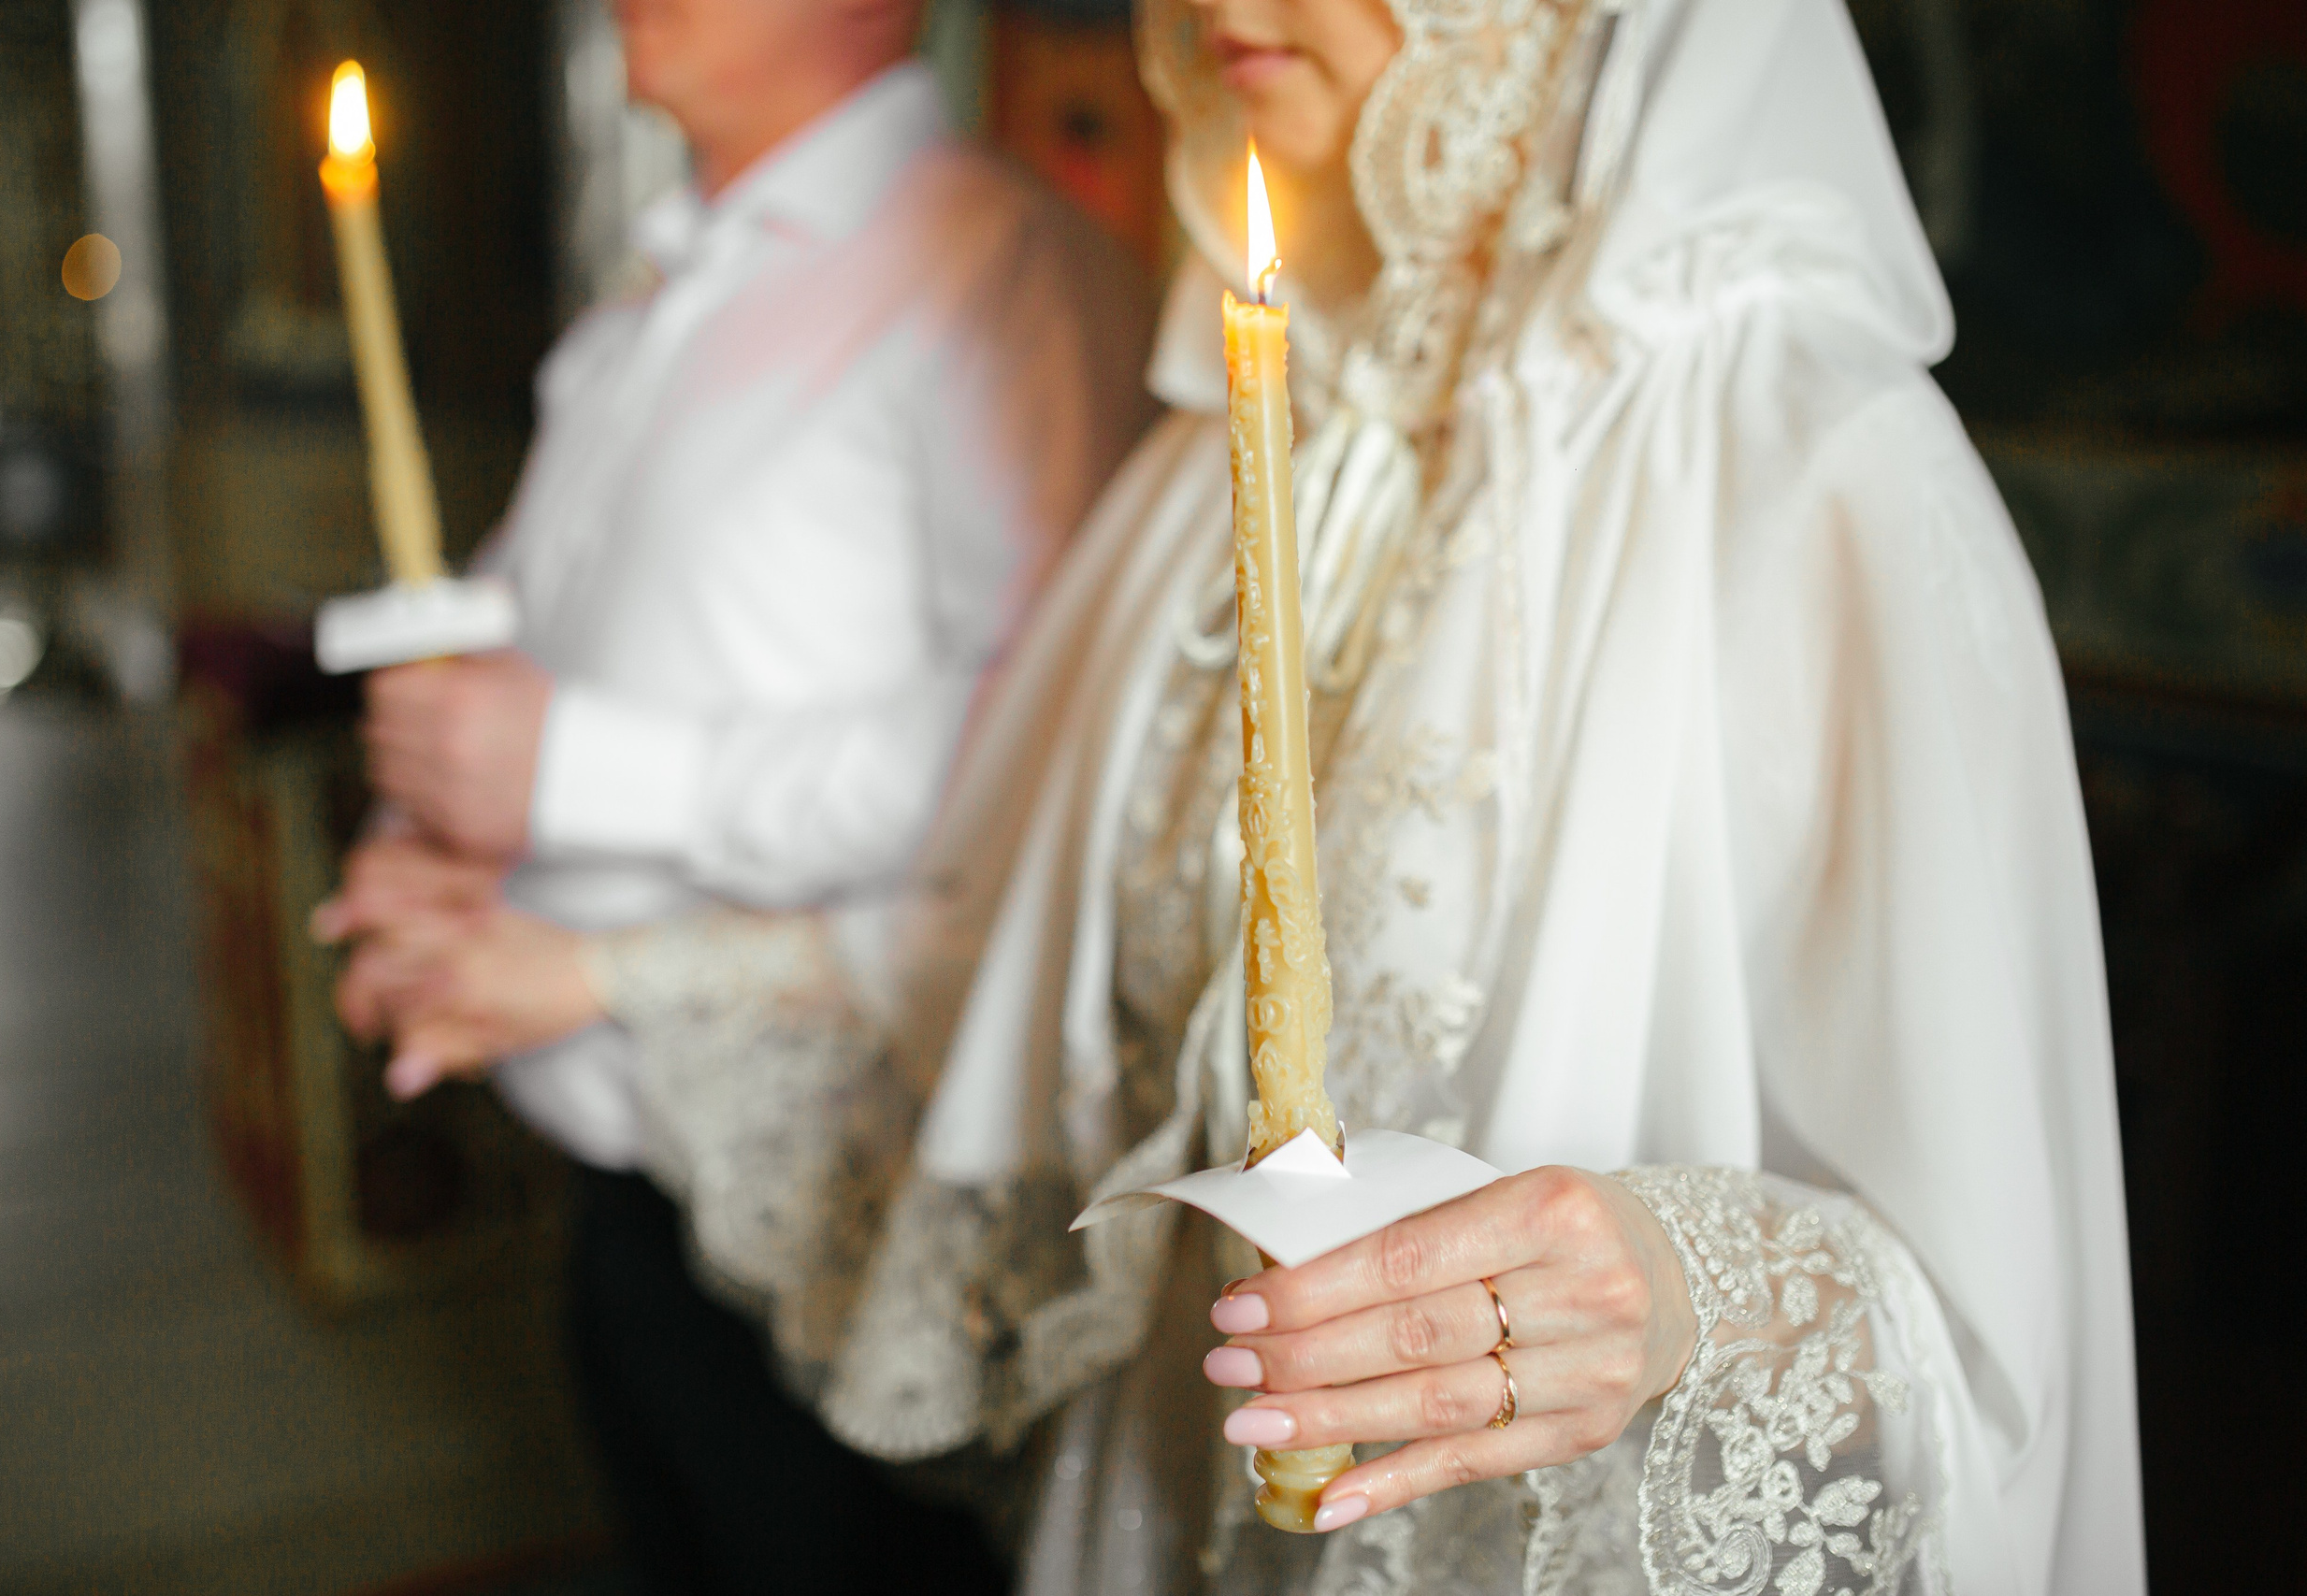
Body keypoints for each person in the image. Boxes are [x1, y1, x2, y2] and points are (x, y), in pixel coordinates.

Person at [348, 0, 2145, 1591]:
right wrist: (602, 978)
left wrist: (1666, 1280)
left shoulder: (1811, 477)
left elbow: (1995, 1329)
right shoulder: (1210, 473)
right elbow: (1009, 980)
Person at [313, 1, 1156, 1590]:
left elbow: (1048, 746)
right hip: (613, 1152)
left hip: (834, 1199)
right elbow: (533, 622)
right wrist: (437, 843)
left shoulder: (995, 268)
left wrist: (585, 771)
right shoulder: (667, 279)